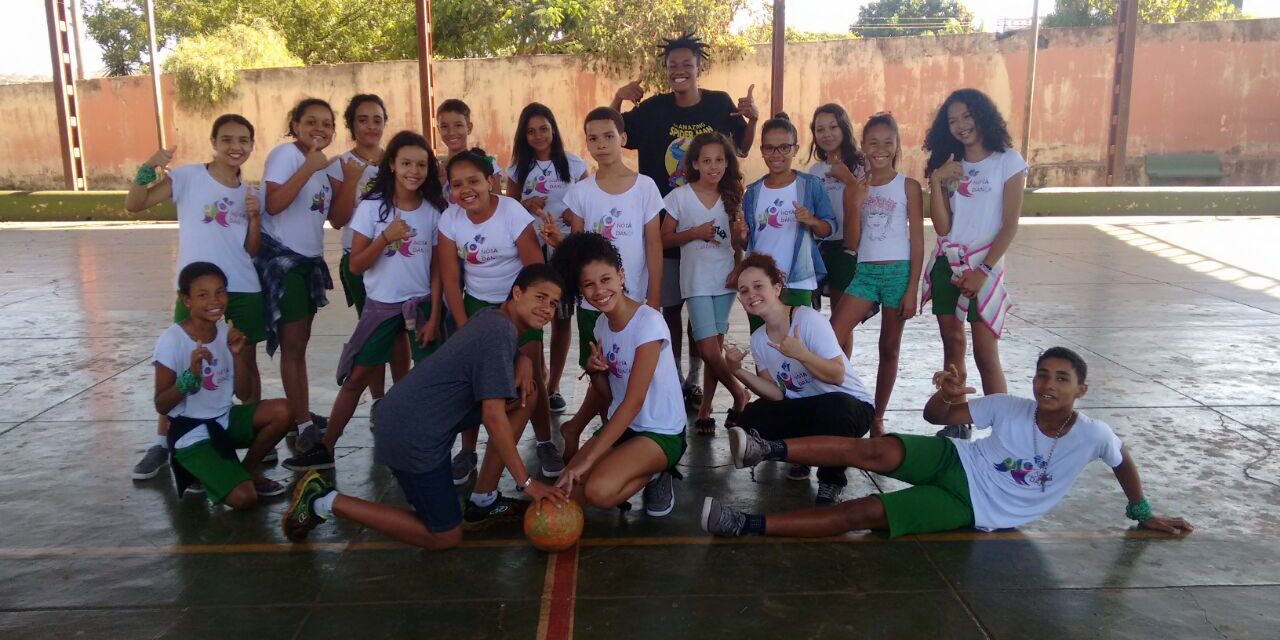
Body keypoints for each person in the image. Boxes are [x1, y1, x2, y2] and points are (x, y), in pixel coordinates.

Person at [702, 348, 1195, 540]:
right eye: (1042, 374)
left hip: (972, 503)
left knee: (867, 514)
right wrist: (948, 395)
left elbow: (1121, 459)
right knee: (875, 451)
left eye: (1062, 379)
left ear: (1080, 390)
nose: (1048, 385)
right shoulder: (1009, 406)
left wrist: (1141, 510)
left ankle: (747, 524)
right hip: (956, 457)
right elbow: (935, 417)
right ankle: (768, 448)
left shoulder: (1092, 435)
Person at [282, 265, 570, 549]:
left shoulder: (492, 317)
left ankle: (483, 500)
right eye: (540, 297)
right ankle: (323, 500)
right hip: (412, 436)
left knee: (527, 393)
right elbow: (492, 416)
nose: (547, 308)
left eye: (554, 303)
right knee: (444, 536)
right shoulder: (498, 332)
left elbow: (489, 354)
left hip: (414, 419)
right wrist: (527, 482)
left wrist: (524, 359)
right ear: (517, 293)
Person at [611, 32, 760, 412]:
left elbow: (740, 148)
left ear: (698, 68)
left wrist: (753, 119)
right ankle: (676, 374)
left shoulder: (718, 104)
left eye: (686, 64)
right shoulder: (652, 110)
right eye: (672, 65)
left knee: (702, 314)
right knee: (671, 308)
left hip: (711, 234)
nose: (679, 71)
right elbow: (615, 133)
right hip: (667, 227)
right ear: (667, 70)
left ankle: (696, 375)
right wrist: (619, 98)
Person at [284, 131, 448, 471]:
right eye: (406, 163)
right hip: (382, 307)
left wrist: (434, 316)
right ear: (392, 165)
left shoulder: (434, 211)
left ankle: (429, 447)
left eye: (421, 164)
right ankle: (326, 447)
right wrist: (386, 238)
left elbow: (436, 267)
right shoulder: (373, 208)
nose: (413, 171)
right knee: (357, 378)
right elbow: (356, 264)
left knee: (431, 380)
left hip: (423, 307)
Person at [125, 113, 270, 481]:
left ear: (252, 146)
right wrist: (147, 168)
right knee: (182, 364)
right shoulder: (189, 177)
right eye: (227, 140)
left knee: (244, 364)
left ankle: (251, 439)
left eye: (243, 141)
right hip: (196, 290)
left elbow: (252, 250)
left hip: (242, 288)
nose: (235, 147)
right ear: (214, 143)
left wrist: (255, 219)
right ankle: (163, 441)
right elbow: (135, 205)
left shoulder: (250, 192)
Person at [437, 148, 566, 492]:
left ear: (490, 181)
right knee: (476, 382)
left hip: (517, 304)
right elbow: (451, 279)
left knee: (531, 376)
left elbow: (534, 269)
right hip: (477, 306)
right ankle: (467, 451)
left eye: (474, 181)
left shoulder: (511, 212)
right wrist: (466, 328)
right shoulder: (450, 219)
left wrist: (531, 313)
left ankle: (543, 442)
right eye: (457, 184)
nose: (466, 189)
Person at [544, 107, 664, 460]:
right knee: (598, 369)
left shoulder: (645, 187)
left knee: (631, 370)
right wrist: (558, 245)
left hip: (635, 301)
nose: (601, 144)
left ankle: (604, 429)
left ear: (623, 139)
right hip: (591, 302)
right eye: (592, 138)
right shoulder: (582, 192)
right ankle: (604, 427)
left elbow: (653, 244)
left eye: (608, 136)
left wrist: (653, 297)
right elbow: (578, 247)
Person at [549, 233, 686, 517]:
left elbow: (633, 402)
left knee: (598, 490)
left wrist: (589, 460)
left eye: (605, 279)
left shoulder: (648, 322)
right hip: (626, 427)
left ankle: (658, 473)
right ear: (581, 292)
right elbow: (611, 395)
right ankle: (631, 466)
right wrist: (595, 372)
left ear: (621, 276)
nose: (599, 291)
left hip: (660, 432)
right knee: (569, 492)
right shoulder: (601, 326)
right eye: (588, 285)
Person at [724, 254, 873, 504]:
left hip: (850, 408)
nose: (751, 294)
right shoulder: (759, 338)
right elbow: (776, 394)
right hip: (807, 410)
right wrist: (737, 370)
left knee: (834, 406)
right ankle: (804, 454)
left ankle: (831, 480)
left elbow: (837, 375)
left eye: (758, 286)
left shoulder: (807, 320)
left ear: (777, 288)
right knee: (751, 416)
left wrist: (802, 355)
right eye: (744, 291)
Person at [922, 89, 1026, 440]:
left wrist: (983, 272)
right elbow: (942, 227)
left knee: (985, 351)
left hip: (985, 268)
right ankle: (957, 419)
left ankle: (1005, 429)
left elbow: (1010, 224)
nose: (961, 126)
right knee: (952, 344)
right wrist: (936, 181)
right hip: (948, 265)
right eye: (953, 120)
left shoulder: (1008, 161)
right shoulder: (950, 165)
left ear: (982, 115)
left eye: (967, 116)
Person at [156, 262, 292, 508]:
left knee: (283, 411)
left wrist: (238, 354)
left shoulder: (225, 331)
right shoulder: (172, 340)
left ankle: (246, 469)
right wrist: (189, 377)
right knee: (245, 498)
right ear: (186, 300)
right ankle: (195, 465)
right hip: (191, 432)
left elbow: (244, 392)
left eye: (220, 292)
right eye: (202, 295)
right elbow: (161, 404)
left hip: (224, 419)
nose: (215, 300)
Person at [828, 112, 925, 437]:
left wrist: (912, 288)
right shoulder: (856, 188)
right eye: (873, 142)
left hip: (899, 273)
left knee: (889, 347)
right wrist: (854, 204)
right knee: (832, 336)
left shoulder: (908, 187)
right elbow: (852, 242)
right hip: (865, 273)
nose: (880, 148)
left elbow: (918, 242)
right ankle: (840, 396)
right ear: (864, 147)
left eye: (887, 142)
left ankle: (878, 416)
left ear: (896, 145)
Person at [260, 97, 343, 447]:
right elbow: (274, 203)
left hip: (308, 262)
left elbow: (331, 217)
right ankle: (302, 421)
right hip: (284, 262)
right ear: (295, 124)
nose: (319, 129)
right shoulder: (287, 156)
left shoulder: (321, 166)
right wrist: (309, 167)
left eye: (326, 124)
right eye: (311, 122)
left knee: (299, 344)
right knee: (293, 346)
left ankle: (300, 412)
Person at [660, 132, 748, 435]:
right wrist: (694, 232)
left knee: (716, 349)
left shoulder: (732, 196)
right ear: (694, 163)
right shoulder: (679, 197)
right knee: (709, 349)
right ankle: (739, 394)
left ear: (727, 162)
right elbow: (663, 237)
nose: (714, 166)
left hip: (724, 280)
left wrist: (739, 261)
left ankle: (706, 410)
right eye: (707, 160)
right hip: (695, 281)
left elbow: (736, 242)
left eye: (720, 160)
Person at [504, 102, 589, 416]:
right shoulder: (516, 169)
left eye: (543, 128)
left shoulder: (575, 165)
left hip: (563, 248)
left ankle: (552, 386)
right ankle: (533, 379)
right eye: (530, 131)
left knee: (562, 318)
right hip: (530, 251)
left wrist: (573, 211)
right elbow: (507, 208)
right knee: (532, 317)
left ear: (553, 129)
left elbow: (587, 202)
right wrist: (526, 203)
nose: (538, 135)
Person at [327, 94, 406, 419]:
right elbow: (338, 219)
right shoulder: (341, 164)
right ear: (351, 124)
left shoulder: (397, 161)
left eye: (377, 119)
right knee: (372, 330)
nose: (371, 126)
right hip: (359, 259)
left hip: (398, 257)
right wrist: (350, 180)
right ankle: (379, 400)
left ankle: (402, 398)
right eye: (363, 119)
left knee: (399, 331)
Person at [743, 113, 837, 333]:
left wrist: (811, 220)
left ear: (795, 148)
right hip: (759, 283)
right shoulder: (753, 192)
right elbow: (747, 243)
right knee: (762, 343)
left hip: (797, 280)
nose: (777, 154)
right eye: (770, 148)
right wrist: (740, 235)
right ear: (762, 151)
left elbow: (829, 228)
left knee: (797, 343)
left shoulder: (810, 185)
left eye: (784, 147)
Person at [437, 99, 504, 196]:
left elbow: (498, 203)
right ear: (439, 129)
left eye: (458, 125)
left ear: (469, 128)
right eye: (444, 126)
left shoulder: (487, 164)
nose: (451, 132)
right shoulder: (436, 170)